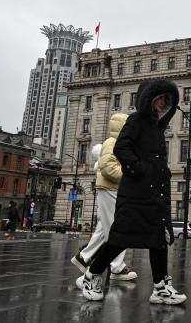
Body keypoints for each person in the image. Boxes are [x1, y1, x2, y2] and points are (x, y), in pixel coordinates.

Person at [81, 80, 186, 305]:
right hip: (136, 191)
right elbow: (121, 148)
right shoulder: (136, 120)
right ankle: (92, 274)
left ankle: (160, 287)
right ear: (150, 99)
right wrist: (140, 169)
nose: (163, 105)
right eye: (160, 99)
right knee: (120, 239)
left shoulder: (157, 127)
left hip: (154, 191)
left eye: (167, 101)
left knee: (158, 238)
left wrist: (159, 174)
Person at [72, 113, 138, 284]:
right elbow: (108, 168)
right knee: (119, 230)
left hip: (113, 188)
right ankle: (115, 267)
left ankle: (84, 257)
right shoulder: (113, 143)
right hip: (110, 188)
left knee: (105, 227)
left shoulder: (120, 143)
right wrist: (131, 176)